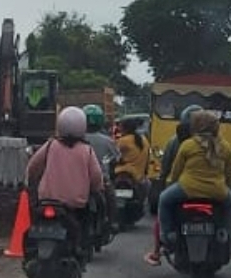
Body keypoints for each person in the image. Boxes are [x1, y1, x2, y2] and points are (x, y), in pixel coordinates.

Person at [145, 110, 231, 266]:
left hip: (187, 189)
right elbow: (229, 175)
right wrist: (225, 187)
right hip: (217, 192)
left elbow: (175, 172)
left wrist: (173, 184)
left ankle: (166, 237)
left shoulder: (188, 144)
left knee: (164, 199)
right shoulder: (225, 146)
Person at [25, 107, 106, 245]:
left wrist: (30, 184)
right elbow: (96, 177)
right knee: (87, 222)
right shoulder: (86, 150)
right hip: (75, 205)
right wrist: (97, 189)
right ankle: (84, 244)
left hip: (46, 200)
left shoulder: (51, 145)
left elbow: (33, 168)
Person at [83, 104, 120, 233]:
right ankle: (113, 222)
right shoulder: (107, 141)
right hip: (101, 180)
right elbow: (116, 160)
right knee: (111, 197)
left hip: (78, 179)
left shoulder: (77, 139)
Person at [115, 116, 150, 199]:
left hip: (123, 175)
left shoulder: (123, 141)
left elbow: (113, 153)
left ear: (125, 128)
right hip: (140, 178)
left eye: (120, 127)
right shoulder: (144, 140)